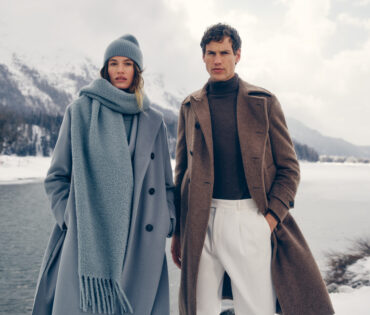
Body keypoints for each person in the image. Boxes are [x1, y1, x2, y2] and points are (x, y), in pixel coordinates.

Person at [171, 23, 334, 315]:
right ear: (203, 57)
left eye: (224, 52)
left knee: (256, 309)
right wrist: (179, 232)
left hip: (249, 219)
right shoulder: (190, 105)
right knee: (198, 309)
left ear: (238, 55)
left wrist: (270, 219)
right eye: (211, 53)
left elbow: (289, 169)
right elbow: (181, 172)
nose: (217, 60)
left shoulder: (264, 102)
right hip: (199, 222)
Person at [32, 34, 176, 315]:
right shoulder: (80, 112)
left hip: (141, 239)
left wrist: (166, 221)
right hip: (88, 240)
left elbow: (166, 185)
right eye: (113, 63)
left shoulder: (153, 121)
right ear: (105, 69)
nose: (120, 70)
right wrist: (71, 218)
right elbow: (57, 178)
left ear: (137, 71)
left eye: (127, 64)